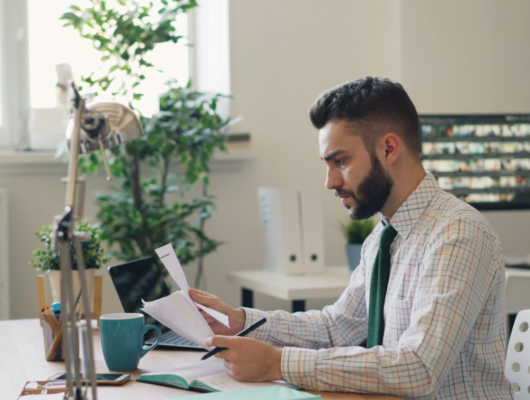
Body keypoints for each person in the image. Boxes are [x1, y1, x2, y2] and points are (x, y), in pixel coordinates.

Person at [189, 77, 513, 399]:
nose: (330, 182)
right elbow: (337, 327)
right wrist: (238, 320)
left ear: (389, 148)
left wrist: (278, 364)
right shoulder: (384, 237)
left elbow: (419, 368)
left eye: (340, 161)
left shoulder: (457, 233)